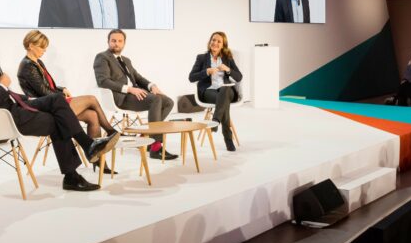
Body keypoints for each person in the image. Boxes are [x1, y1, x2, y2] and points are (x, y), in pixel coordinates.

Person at [0, 27, 118, 192]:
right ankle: (75, 169)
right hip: (8, 118)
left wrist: (25, 98)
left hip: (15, 106)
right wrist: (2, 84)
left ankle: (87, 148)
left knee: (57, 100)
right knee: (58, 120)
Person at [16, 30, 121, 174]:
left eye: (45, 47)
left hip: (54, 101)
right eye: (41, 47)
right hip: (46, 107)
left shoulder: (37, 62)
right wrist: (61, 95)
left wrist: (61, 88)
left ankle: (99, 161)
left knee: (93, 116)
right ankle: (111, 131)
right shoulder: (27, 66)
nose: (44, 50)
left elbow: (47, 86)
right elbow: (44, 93)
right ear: (30, 45)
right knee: (91, 99)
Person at [94, 29, 177, 160]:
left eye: (120, 41)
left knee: (168, 102)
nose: (116, 44)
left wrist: (151, 85)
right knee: (155, 100)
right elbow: (103, 81)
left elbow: (137, 78)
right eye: (113, 41)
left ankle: (148, 137)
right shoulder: (102, 57)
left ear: (124, 43)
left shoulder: (126, 60)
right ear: (108, 42)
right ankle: (156, 146)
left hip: (134, 94)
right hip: (120, 98)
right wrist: (129, 89)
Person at [188, 31, 243, 151]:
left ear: (223, 45)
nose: (215, 43)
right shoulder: (201, 58)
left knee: (225, 90)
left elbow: (239, 77)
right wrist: (206, 72)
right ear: (210, 42)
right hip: (209, 91)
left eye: (219, 41)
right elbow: (191, 77)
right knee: (223, 103)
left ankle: (216, 120)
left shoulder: (227, 58)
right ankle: (228, 139)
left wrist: (228, 69)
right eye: (213, 40)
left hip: (227, 91)